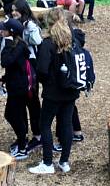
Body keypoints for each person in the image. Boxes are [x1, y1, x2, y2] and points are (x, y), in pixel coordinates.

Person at [29, 11, 79, 174]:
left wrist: (46, 81)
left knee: (45, 124)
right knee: (66, 124)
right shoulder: (71, 40)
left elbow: (42, 69)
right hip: (70, 90)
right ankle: (64, 161)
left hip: (53, 92)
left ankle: (48, 162)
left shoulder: (48, 43)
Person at [11, 0, 43, 153]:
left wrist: (26, 34)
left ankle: (38, 135)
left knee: (32, 101)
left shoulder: (31, 24)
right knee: (21, 101)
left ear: (23, 10)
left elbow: (37, 41)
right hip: (18, 65)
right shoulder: (14, 23)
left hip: (31, 65)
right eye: (12, 10)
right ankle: (22, 134)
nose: (13, 12)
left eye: (16, 10)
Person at [0, 18, 31, 160]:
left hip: (19, 88)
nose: (1, 30)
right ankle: (21, 139)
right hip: (15, 84)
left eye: (4, 29)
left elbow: (6, 62)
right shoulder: (19, 45)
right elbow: (15, 67)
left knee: (12, 115)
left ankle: (23, 147)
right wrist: (4, 79)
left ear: (11, 32)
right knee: (17, 115)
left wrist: (7, 44)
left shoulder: (17, 46)